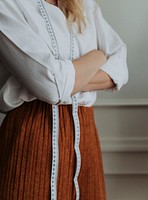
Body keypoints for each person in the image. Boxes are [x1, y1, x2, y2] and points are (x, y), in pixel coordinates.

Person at [0, 0, 128, 199]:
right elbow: (51, 85)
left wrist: (66, 80)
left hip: (86, 142)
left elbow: (120, 69)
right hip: (31, 142)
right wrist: (97, 56)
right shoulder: (7, 4)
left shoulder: (85, 4)